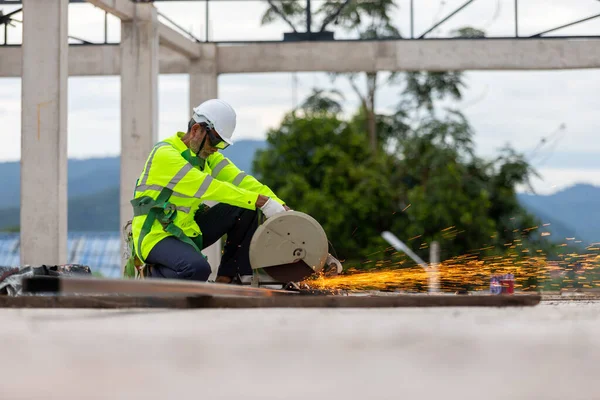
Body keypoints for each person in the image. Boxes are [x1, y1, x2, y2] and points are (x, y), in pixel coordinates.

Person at [128, 99, 290, 284]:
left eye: (222, 144)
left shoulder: (207, 156)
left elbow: (242, 181)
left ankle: (229, 276)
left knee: (245, 207)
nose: (216, 148)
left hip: (188, 230)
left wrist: (281, 206)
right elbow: (209, 188)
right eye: (215, 140)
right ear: (196, 130)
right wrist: (262, 202)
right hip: (156, 235)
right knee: (196, 270)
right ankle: (152, 276)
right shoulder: (166, 155)